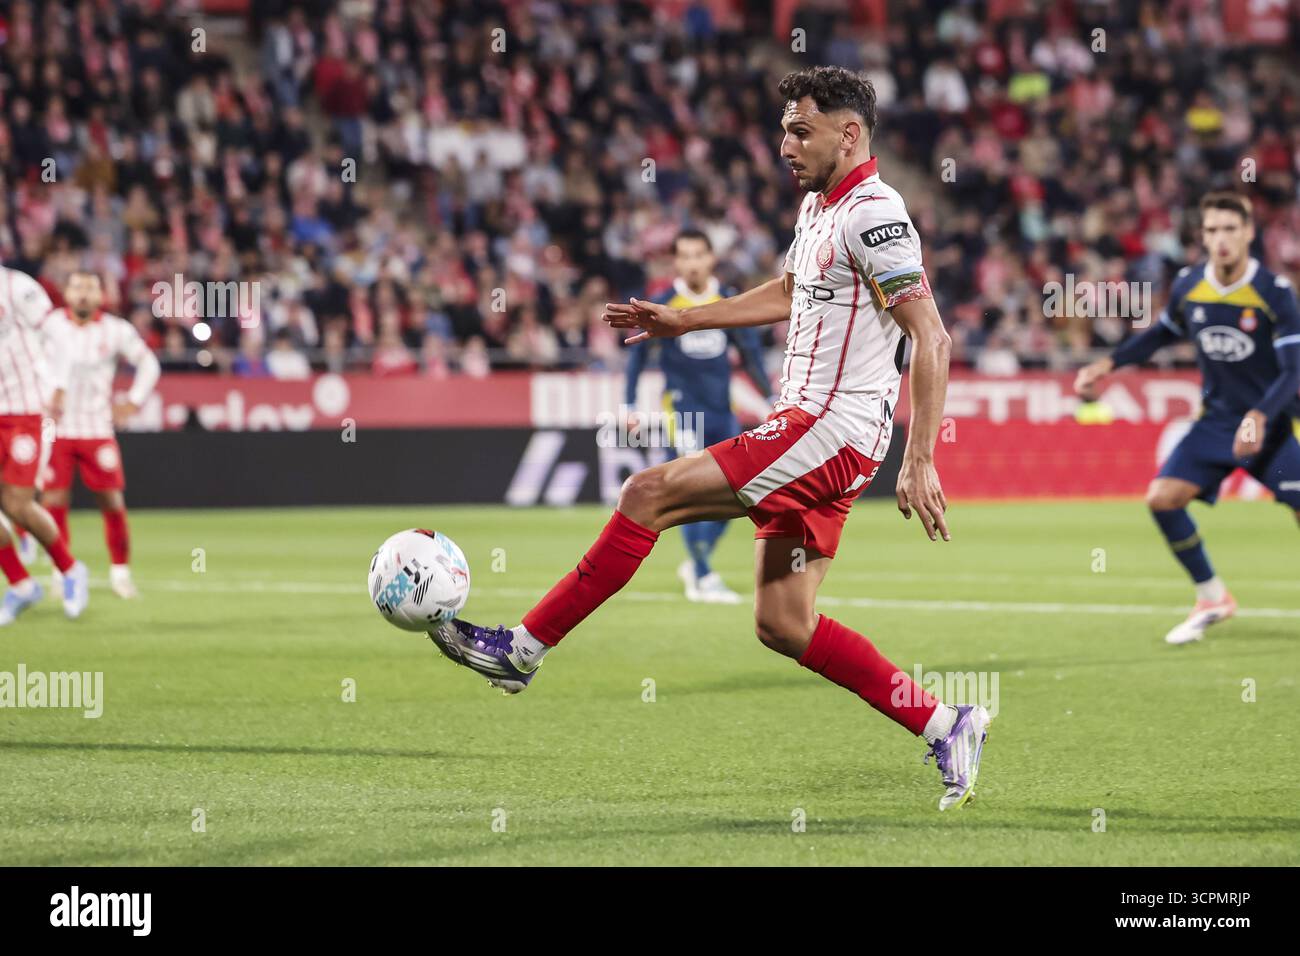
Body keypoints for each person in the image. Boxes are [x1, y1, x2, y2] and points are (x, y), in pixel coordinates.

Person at [430, 67, 990, 812]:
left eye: (801, 130)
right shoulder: (821, 210)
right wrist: (686, 317)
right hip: (813, 431)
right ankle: (947, 721)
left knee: (647, 493)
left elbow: (933, 336)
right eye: (784, 128)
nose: (783, 143)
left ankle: (520, 652)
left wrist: (920, 460)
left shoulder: (875, 213)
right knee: (783, 624)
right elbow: (790, 294)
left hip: (828, 429)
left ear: (848, 134)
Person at [1074, 192, 1300, 644]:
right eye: (1212, 230)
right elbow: (1160, 334)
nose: (1221, 239)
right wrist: (1109, 364)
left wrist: (1258, 415)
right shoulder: (1189, 285)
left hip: (1270, 425)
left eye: (1230, 229)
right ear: (1202, 236)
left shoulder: (1274, 293)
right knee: (1161, 498)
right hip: (1216, 422)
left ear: (1248, 234)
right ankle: (1212, 596)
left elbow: (1294, 371)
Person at [624, 229, 772, 603]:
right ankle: (703, 576)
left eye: (698, 255)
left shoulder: (726, 302)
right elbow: (637, 356)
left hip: (724, 411)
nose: (692, 263)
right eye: (684, 256)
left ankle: (697, 563)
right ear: (676, 262)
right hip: (683, 412)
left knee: (741, 494)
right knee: (689, 490)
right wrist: (628, 405)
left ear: (710, 258)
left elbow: (750, 352)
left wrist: (770, 398)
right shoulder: (662, 303)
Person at [42, 271, 161, 599]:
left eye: (90, 288)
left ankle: (120, 573)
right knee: (53, 501)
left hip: (97, 427)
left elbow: (149, 364)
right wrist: (46, 390)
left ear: (101, 295)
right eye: (77, 286)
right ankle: (60, 571)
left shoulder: (116, 330)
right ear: (66, 293)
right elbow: (27, 358)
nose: (83, 294)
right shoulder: (49, 325)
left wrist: (133, 403)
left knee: (111, 500)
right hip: (57, 427)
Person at [0, 264, 89, 624]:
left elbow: (61, 335)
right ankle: (21, 585)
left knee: (17, 504)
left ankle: (70, 569)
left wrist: (59, 386)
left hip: (23, 412)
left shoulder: (17, 287)